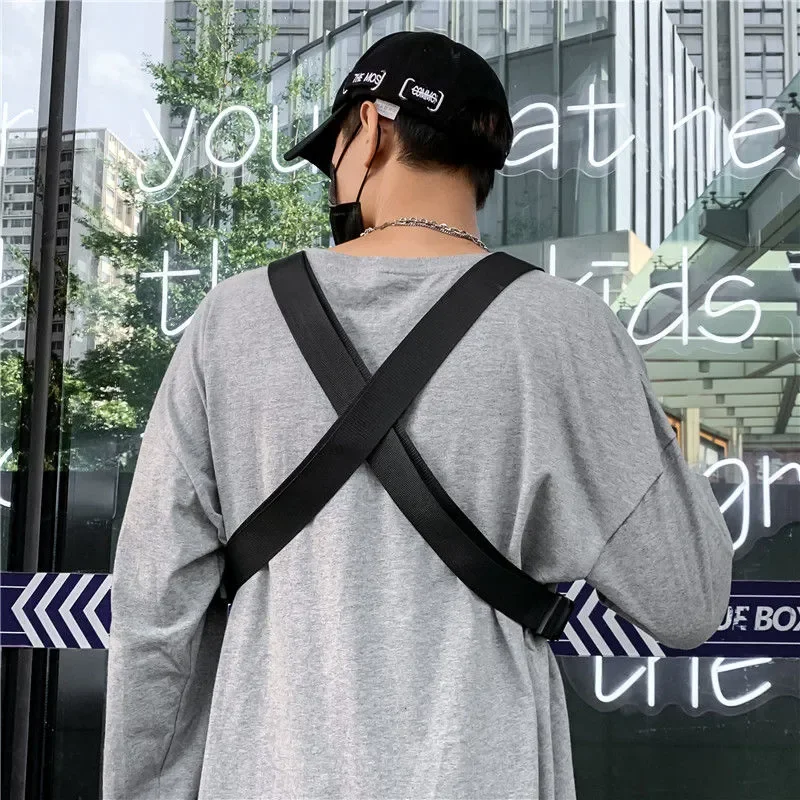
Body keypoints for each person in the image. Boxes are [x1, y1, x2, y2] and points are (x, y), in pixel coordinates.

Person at [102, 31, 733, 800]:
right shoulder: (567, 329)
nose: (332, 178)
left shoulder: (231, 321)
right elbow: (688, 599)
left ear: (370, 126)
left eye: (333, 152)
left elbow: (155, 608)